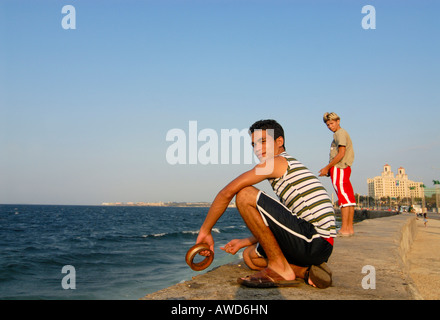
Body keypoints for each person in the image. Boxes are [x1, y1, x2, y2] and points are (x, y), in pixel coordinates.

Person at [195, 119, 336, 288]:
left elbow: (227, 192)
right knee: (250, 256)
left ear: (279, 142)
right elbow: (283, 223)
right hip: (315, 244)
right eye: (253, 144)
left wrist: (206, 230)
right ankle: (304, 272)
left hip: (315, 240)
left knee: (245, 194)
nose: (257, 148)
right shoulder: (287, 172)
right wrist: (244, 242)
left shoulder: (278, 162)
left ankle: (280, 268)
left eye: (263, 141)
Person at [319, 112, 356, 236]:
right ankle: (349, 228)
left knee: (343, 199)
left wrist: (327, 168)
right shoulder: (340, 134)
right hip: (344, 168)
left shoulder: (340, 133)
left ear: (338, 121)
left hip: (339, 168)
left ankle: (345, 229)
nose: (330, 126)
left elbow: (341, 153)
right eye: (328, 125)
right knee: (348, 198)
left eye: (332, 123)